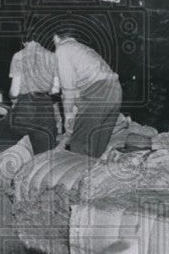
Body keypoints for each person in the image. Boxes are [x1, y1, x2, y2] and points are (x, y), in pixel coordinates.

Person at [46, 30, 122, 158]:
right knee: (96, 149)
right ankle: (94, 175)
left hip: (97, 91)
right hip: (115, 90)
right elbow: (77, 95)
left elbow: (68, 92)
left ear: (55, 37)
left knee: (79, 146)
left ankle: (80, 177)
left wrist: (69, 123)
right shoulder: (83, 49)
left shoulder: (62, 49)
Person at [0, 30, 60, 155]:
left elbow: (15, 92)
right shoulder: (52, 56)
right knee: (44, 157)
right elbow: (55, 90)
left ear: (23, 40)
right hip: (46, 109)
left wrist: (12, 98)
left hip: (26, 107)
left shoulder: (19, 56)